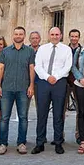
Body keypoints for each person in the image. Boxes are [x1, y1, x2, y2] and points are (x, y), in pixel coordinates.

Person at [0, 26, 36, 155]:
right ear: (13, 36)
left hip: (23, 89)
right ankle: (3, 143)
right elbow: (0, 69)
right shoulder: (5, 51)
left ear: (24, 36)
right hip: (7, 88)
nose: (18, 36)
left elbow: (31, 69)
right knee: (4, 118)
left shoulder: (30, 51)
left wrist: (31, 86)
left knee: (23, 117)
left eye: (20, 34)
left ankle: (21, 143)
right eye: (16, 34)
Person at [32, 26, 72, 154]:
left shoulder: (66, 49)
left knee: (58, 113)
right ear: (49, 35)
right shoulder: (42, 49)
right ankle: (40, 143)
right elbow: (38, 66)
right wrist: (47, 77)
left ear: (61, 36)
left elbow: (68, 66)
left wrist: (56, 77)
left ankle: (58, 143)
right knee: (41, 113)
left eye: (57, 34)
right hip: (43, 82)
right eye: (52, 34)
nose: (55, 36)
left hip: (59, 82)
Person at [66, 28, 81, 142]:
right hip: (65, 82)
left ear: (79, 38)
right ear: (69, 37)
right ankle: (59, 135)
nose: (74, 38)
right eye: (72, 36)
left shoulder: (83, 50)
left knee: (79, 110)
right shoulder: (64, 50)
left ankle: (79, 134)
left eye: (76, 36)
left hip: (78, 82)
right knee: (61, 109)